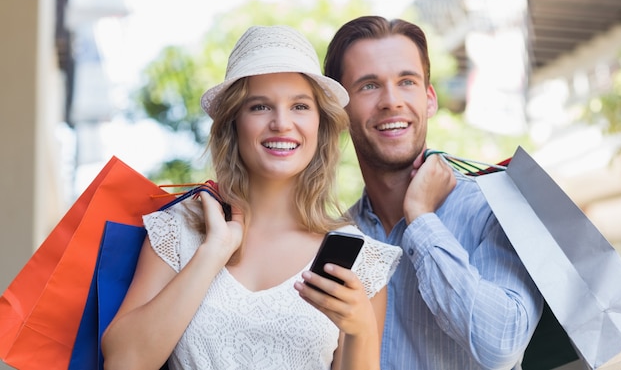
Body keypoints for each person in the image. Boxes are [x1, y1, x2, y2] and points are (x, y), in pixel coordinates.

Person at [101, 25, 402, 370]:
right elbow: (123, 363)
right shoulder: (178, 231)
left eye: (300, 106)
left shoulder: (361, 259)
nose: (282, 123)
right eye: (260, 107)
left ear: (320, 126)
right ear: (233, 124)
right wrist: (212, 252)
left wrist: (361, 329)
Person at [323, 16, 543, 370]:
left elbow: (501, 348)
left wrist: (422, 220)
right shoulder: (336, 238)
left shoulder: (496, 209)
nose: (391, 101)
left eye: (406, 82)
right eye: (368, 86)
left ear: (429, 99)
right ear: (340, 111)